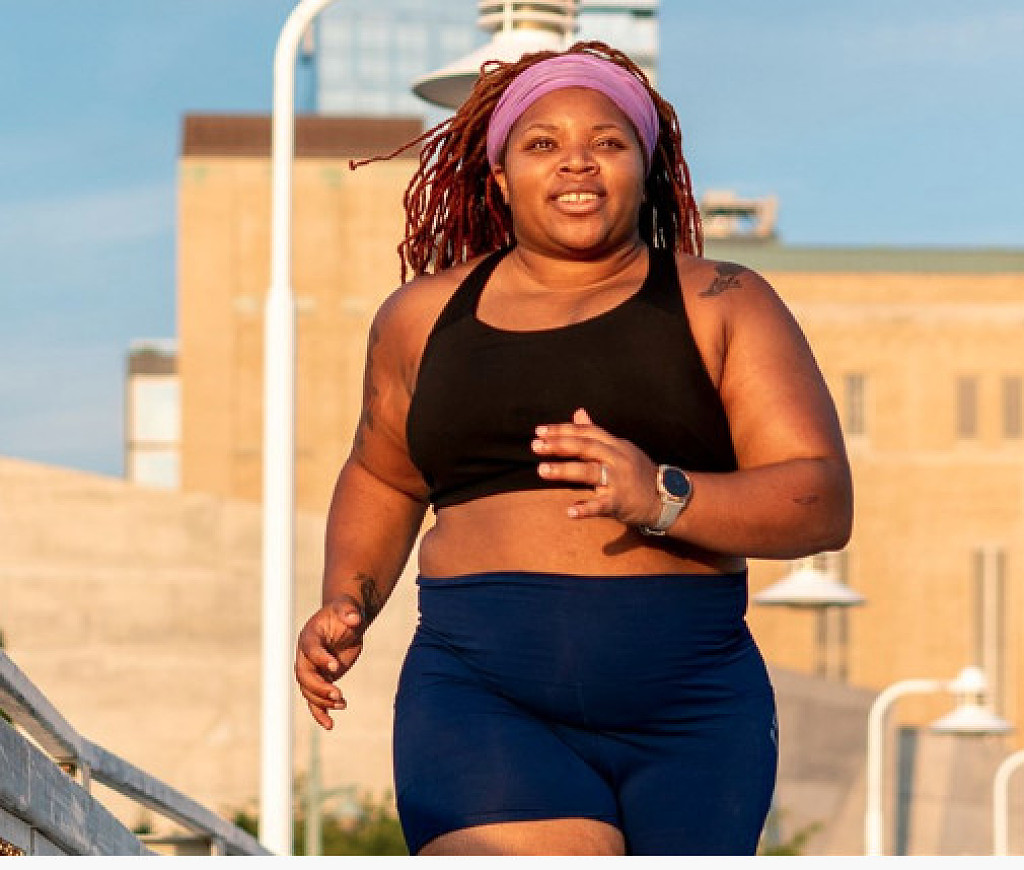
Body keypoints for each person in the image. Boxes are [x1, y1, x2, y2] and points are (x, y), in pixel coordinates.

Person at [294, 41, 853, 856]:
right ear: (500, 177)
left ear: (645, 169)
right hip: (482, 696)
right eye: (543, 143)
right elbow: (383, 476)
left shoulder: (724, 301)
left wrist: (664, 495)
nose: (576, 162)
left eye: (608, 141)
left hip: (694, 712)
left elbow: (820, 498)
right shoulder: (419, 318)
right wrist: (348, 600)